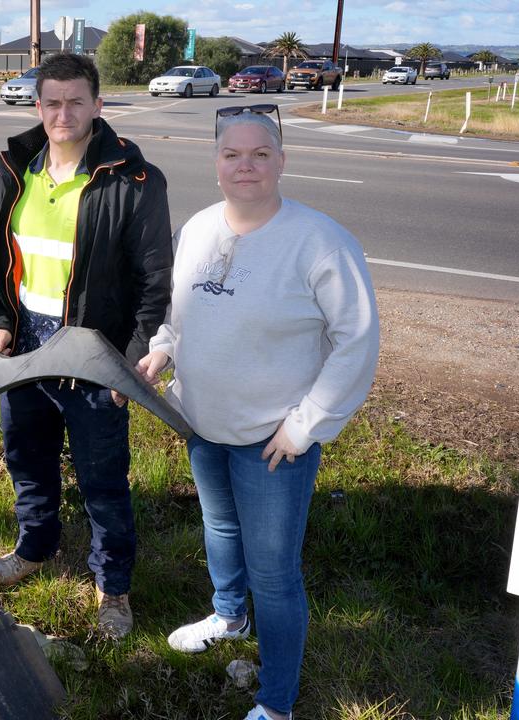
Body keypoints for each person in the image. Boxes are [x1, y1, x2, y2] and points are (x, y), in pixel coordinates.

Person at [137, 105, 379, 720]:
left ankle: (277, 703)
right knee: (219, 528)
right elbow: (179, 313)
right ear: (216, 163)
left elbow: (357, 339)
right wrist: (162, 352)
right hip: (202, 422)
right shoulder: (196, 228)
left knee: (274, 575)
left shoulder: (319, 240)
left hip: (274, 440)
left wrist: (306, 424)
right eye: (231, 154)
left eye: (260, 154)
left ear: (281, 162)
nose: (245, 166)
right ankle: (227, 614)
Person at [0, 53, 173, 639]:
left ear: (97, 105)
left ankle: (113, 589)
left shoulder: (134, 180)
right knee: (27, 459)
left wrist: (130, 361)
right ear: (37, 106)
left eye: (76, 101)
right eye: (52, 102)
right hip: (25, 347)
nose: (64, 113)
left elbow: (153, 280)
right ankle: (34, 548)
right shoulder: (15, 171)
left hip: (94, 352)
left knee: (102, 479)